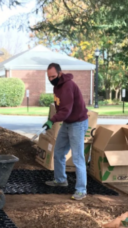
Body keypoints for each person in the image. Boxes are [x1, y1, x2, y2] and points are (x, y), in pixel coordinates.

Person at [43, 63, 88, 200]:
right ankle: (61, 179)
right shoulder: (57, 86)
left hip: (77, 123)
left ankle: (81, 190)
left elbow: (66, 110)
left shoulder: (68, 86)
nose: (51, 79)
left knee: (77, 158)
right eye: (49, 77)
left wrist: (52, 120)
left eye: (53, 76)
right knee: (58, 152)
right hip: (67, 123)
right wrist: (55, 119)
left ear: (60, 73)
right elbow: (60, 107)